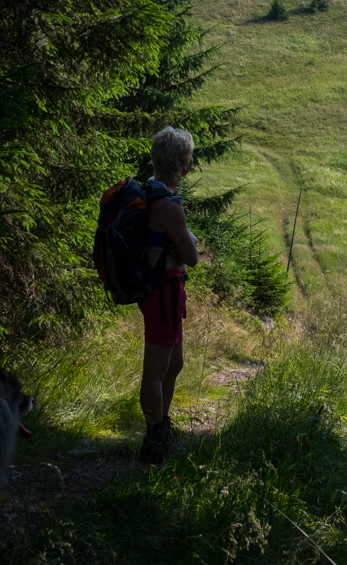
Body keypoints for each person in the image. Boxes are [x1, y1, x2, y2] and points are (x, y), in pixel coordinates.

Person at [138, 127, 198, 463]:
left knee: (174, 363)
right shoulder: (168, 205)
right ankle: (155, 440)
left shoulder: (152, 190)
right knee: (157, 369)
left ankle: (161, 427)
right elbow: (191, 256)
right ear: (180, 162)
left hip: (166, 290)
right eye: (189, 155)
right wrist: (190, 243)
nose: (192, 160)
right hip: (163, 290)